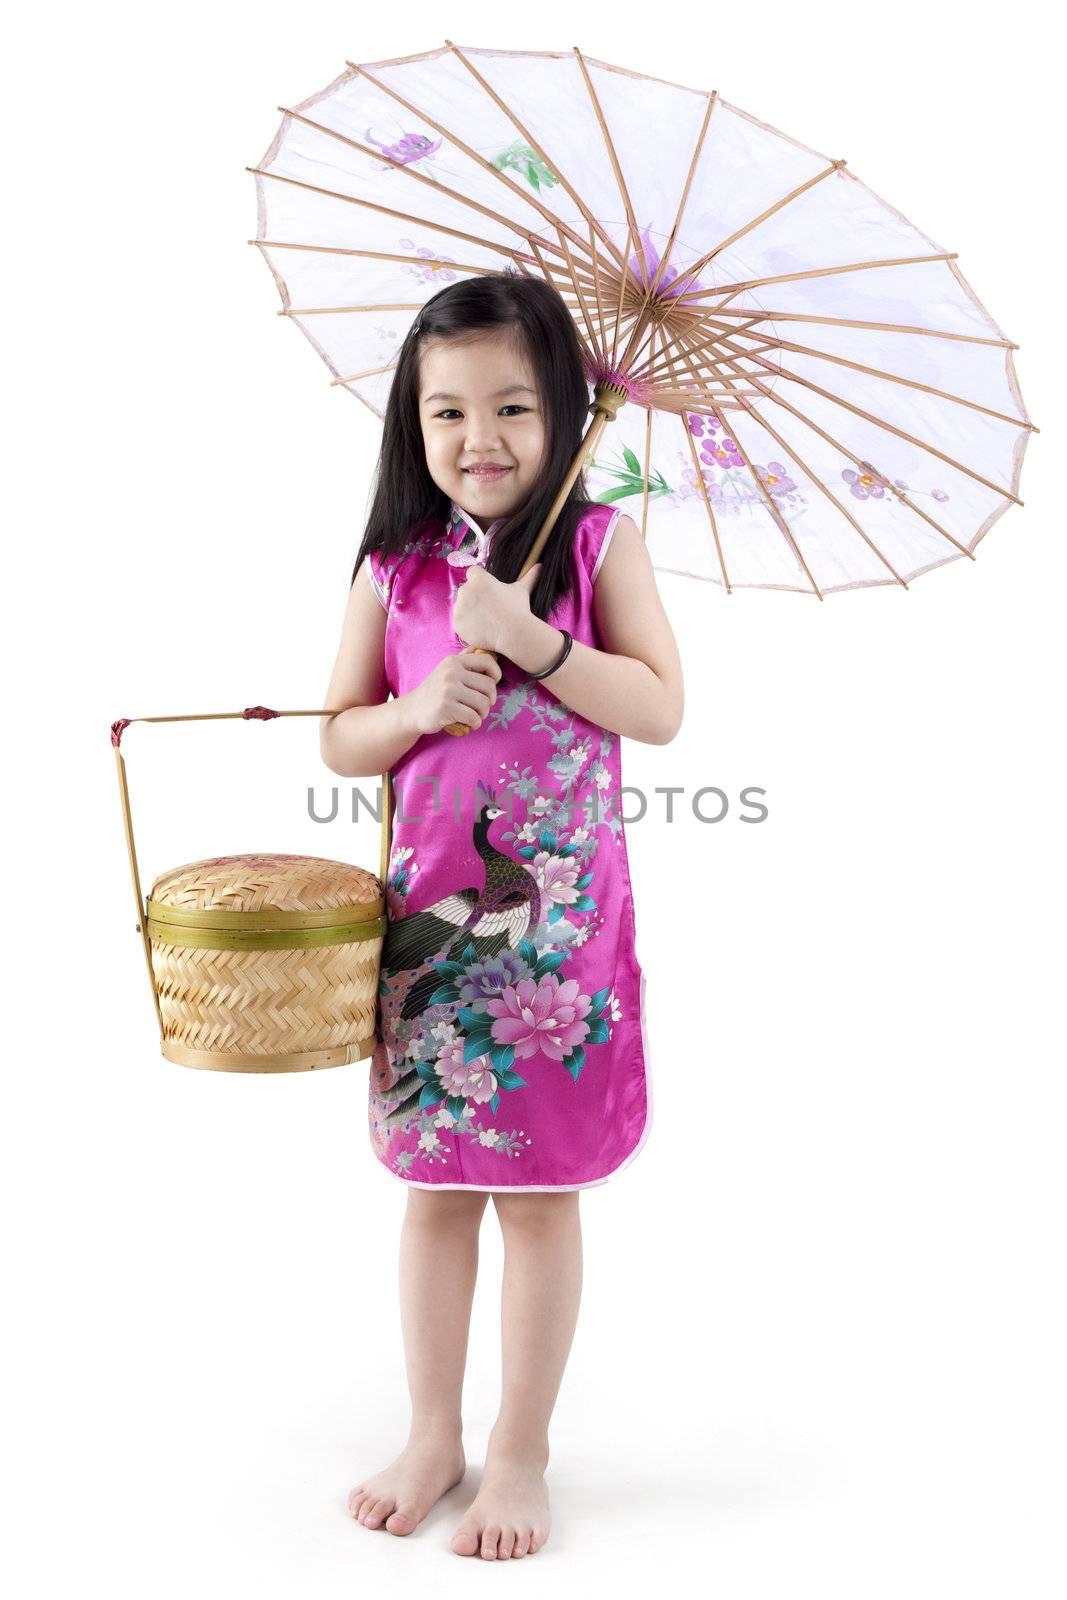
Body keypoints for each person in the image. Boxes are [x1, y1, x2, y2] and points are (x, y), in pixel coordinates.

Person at [320, 271, 684, 1560]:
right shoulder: (395, 568)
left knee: (539, 1195)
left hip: (556, 948)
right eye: (449, 411)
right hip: (430, 937)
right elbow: (341, 736)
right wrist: (418, 709)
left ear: (570, 411)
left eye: (517, 408)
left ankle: (521, 1448)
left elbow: (658, 708)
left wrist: (534, 644)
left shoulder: (599, 550)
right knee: (433, 1190)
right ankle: (434, 1430)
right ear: (411, 427)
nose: (481, 439)